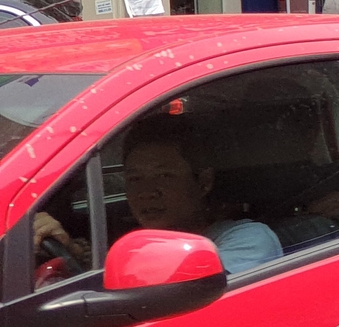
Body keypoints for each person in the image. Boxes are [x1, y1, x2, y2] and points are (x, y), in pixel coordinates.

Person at [34, 116, 284, 278]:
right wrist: (69, 251)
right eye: (134, 179)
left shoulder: (249, 240)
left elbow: (172, 292)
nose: (146, 192)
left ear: (203, 182)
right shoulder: (139, 241)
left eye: (164, 176)